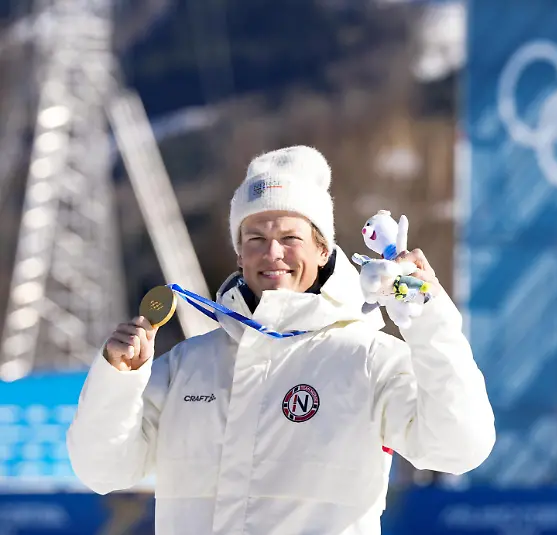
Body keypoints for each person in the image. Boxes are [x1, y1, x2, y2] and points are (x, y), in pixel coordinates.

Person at [67, 146, 495, 535]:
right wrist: (118, 379)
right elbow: (102, 469)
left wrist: (429, 321)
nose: (272, 253)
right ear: (239, 253)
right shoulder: (188, 365)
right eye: (256, 239)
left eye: (290, 238)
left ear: (324, 250)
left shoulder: (368, 357)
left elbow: (458, 447)